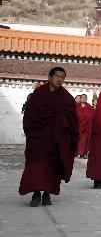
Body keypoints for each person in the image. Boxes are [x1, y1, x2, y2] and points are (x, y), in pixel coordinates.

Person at [19, 67, 77, 207]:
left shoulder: (67, 98)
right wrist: (31, 133)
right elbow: (29, 115)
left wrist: (62, 121)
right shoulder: (38, 94)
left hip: (56, 139)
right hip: (38, 138)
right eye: (57, 76)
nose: (59, 80)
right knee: (36, 165)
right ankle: (35, 193)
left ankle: (47, 193)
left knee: (52, 166)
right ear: (49, 77)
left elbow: (72, 118)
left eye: (62, 77)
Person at [75, 94, 94, 158]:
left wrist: (87, 118)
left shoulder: (89, 106)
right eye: (82, 97)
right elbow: (74, 114)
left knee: (84, 140)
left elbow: (92, 115)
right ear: (80, 99)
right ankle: (77, 152)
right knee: (78, 139)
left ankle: (83, 153)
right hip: (78, 125)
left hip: (86, 126)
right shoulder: (76, 106)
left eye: (85, 98)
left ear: (86, 99)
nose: (84, 99)